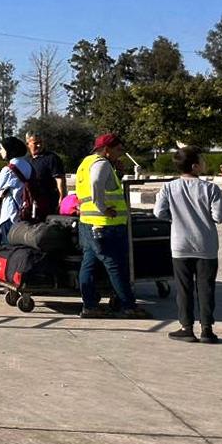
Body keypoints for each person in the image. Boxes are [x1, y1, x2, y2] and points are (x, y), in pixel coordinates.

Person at [155, 146, 222, 344]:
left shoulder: (169, 187)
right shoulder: (211, 188)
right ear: (195, 166)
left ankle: (186, 327)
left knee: (183, 288)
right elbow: (219, 216)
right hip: (206, 246)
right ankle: (207, 329)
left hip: (180, 244)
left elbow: (158, 212)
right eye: (202, 160)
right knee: (206, 288)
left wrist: (175, 218)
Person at [75, 133, 147, 318]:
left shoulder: (86, 163)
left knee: (89, 264)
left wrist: (118, 172)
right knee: (116, 265)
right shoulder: (102, 164)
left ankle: (90, 305)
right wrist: (103, 208)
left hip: (88, 223)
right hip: (105, 225)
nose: (120, 153)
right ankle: (128, 306)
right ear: (106, 150)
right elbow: (97, 183)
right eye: (118, 150)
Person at [0, 136, 34, 241]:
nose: (0, 151)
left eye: (1, 148)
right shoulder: (28, 165)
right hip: (25, 212)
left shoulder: (8, 170)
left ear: (8, 150)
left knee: (7, 247)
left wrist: (1, 193)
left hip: (10, 213)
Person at [25, 132, 67, 218]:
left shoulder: (51, 158)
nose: (39, 145)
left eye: (41, 142)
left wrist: (61, 198)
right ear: (28, 144)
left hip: (49, 202)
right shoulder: (26, 160)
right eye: (36, 143)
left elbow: (60, 179)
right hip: (30, 203)